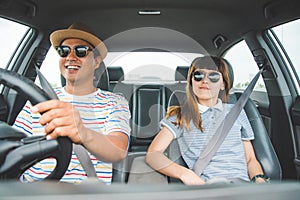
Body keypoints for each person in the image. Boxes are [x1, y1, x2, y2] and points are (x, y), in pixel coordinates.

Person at [13, 22, 131, 184]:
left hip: (85, 192)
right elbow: (12, 147)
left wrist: (82, 132)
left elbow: (118, 151)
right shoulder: (37, 100)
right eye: (64, 51)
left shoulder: (114, 102)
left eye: (81, 51)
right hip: (33, 191)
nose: (70, 57)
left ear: (96, 62)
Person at [146, 56, 269, 185]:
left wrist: (258, 179)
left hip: (243, 186)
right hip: (208, 187)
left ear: (223, 84)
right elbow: (153, 154)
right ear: (191, 81)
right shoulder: (181, 116)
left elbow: (250, 159)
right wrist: (185, 174)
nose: (204, 80)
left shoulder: (237, 111)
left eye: (213, 77)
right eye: (198, 75)